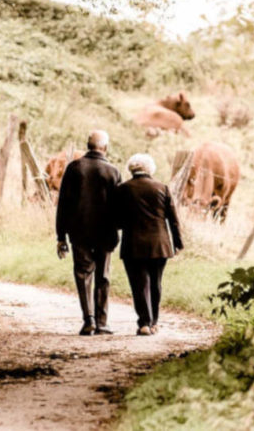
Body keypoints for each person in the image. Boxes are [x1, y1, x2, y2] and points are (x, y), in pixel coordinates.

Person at [56, 130, 121, 336]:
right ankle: (102, 323)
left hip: (79, 231)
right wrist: (118, 229)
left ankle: (89, 320)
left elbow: (63, 205)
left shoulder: (74, 168)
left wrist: (61, 236)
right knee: (103, 275)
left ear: (87, 145)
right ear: (106, 148)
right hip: (106, 232)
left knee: (83, 274)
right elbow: (120, 206)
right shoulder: (113, 171)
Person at [116, 153, 183, 336]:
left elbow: (116, 220)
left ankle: (144, 322)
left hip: (133, 244)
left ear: (131, 168)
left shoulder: (122, 189)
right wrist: (177, 243)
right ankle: (154, 322)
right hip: (160, 244)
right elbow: (173, 220)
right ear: (150, 169)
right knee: (156, 283)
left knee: (139, 284)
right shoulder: (162, 188)